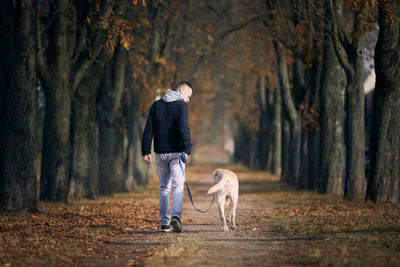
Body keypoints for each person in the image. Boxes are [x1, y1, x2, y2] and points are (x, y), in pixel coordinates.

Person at [141, 81, 193, 233]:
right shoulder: (181, 105)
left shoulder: (156, 105)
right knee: (178, 185)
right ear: (182, 92)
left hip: (160, 153)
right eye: (188, 96)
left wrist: (145, 151)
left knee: (164, 187)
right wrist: (187, 149)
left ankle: (164, 223)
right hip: (177, 153)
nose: (188, 100)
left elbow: (148, 128)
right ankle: (176, 217)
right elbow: (184, 128)